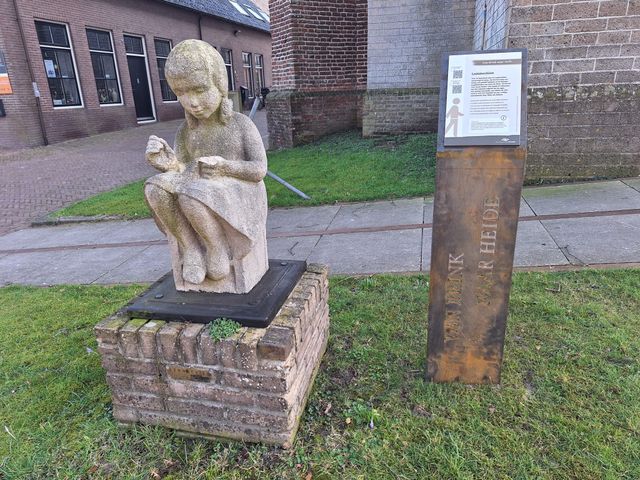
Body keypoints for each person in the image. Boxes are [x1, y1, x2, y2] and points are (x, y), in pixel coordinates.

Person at [144, 39, 268, 293]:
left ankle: (216, 246)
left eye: (200, 90)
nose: (192, 102)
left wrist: (224, 167)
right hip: (200, 190)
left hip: (240, 191)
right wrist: (171, 165)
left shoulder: (240, 125)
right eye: (181, 93)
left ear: (219, 84)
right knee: (155, 188)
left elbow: (258, 170)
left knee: (191, 195)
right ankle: (191, 247)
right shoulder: (185, 132)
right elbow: (183, 172)